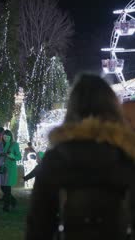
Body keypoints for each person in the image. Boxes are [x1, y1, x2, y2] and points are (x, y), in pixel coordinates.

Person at [26, 74, 135, 240]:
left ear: (72, 108)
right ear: (112, 108)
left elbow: (38, 223)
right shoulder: (127, 155)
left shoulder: (56, 158)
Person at [0, 130, 21, 212]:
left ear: (11, 137)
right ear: (2, 136)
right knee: (2, 187)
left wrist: (13, 156)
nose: (6, 138)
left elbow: (19, 157)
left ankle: (6, 207)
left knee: (7, 187)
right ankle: (13, 201)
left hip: (10, 168)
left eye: (8, 137)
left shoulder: (14, 144)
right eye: (5, 137)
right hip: (1, 168)